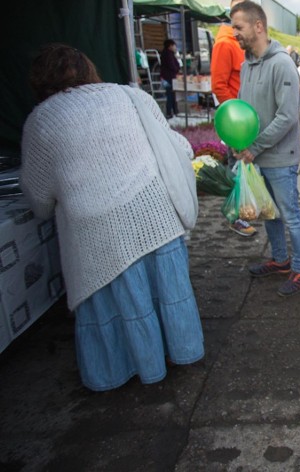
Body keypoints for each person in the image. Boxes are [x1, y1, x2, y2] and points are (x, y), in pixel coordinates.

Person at [20, 44, 204, 391]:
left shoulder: (41, 120)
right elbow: (176, 147)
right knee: (166, 291)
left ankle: (129, 368)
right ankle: (179, 350)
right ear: (89, 68)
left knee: (120, 302)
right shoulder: (129, 96)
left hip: (97, 231)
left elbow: (40, 199)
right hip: (156, 213)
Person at [230, 0, 300, 295]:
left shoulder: (282, 64)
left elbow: (288, 116)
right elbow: (242, 110)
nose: (234, 33)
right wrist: (240, 146)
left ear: (258, 26)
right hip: (255, 156)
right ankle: (281, 260)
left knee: (291, 214)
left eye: (238, 27)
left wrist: (256, 146)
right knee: (270, 214)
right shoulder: (246, 65)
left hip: (279, 158)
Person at [211, 0, 256, 238]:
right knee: (235, 168)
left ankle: (245, 209)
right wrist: (235, 118)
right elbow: (219, 85)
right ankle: (233, 216)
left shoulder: (243, 45)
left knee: (244, 168)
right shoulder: (224, 44)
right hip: (236, 123)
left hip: (247, 122)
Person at [211, 0, 249, 105]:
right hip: (236, 114)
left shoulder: (245, 43)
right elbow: (218, 86)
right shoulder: (224, 44)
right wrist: (235, 110)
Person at [160, 39, 181, 119]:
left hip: (167, 77)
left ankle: (173, 111)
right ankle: (170, 112)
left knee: (171, 94)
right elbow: (173, 66)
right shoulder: (168, 54)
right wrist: (177, 69)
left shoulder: (168, 53)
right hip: (169, 77)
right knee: (170, 95)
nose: (175, 47)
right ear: (170, 46)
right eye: (174, 45)